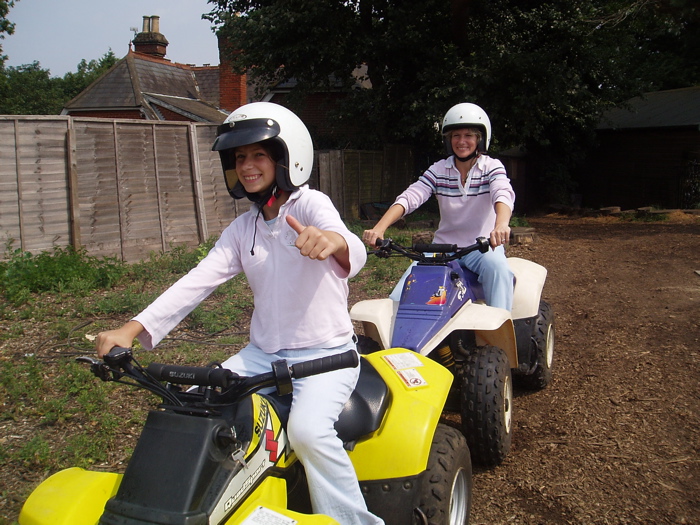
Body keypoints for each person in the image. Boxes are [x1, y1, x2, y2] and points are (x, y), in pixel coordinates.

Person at [95, 102, 383, 525]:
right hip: (261, 355)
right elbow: (197, 281)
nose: (247, 166)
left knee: (308, 432)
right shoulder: (242, 228)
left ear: (286, 159)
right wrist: (130, 329)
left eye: (258, 155)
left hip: (326, 356)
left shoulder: (310, 206)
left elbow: (350, 245)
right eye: (240, 157)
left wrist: (334, 242)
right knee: (189, 406)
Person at [363, 102, 515, 311]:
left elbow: (503, 193)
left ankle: (501, 332)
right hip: (442, 248)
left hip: (481, 247)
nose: (462, 141)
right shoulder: (439, 169)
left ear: (480, 138)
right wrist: (380, 228)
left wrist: (501, 225)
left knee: (498, 269)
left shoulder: (491, 167)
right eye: (455, 136)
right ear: (448, 140)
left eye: (468, 135)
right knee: (401, 293)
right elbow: (410, 197)